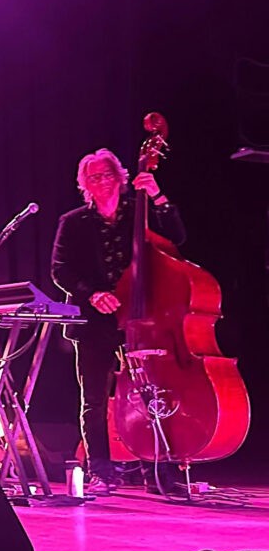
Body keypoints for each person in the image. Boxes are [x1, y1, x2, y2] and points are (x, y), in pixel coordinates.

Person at [51, 148, 185, 496]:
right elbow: (60, 269)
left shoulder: (142, 212)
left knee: (152, 394)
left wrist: (157, 194)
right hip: (96, 320)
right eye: (93, 177)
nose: (102, 182)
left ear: (120, 178)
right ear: (85, 185)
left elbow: (178, 237)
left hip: (144, 317)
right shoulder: (73, 221)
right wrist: (92, 294)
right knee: (94, 399)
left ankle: (159, 470)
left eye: (107, 174)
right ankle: (101, 470)